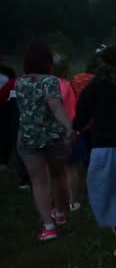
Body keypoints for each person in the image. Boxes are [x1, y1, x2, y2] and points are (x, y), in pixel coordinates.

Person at [74, 46, 116, 258]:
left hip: (103, 148)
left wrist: (74, 129)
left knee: (105, 191)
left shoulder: (94, 88)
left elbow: (81, 120)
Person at [14, 44, 73, 241]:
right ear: (48, 62)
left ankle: (48, 226)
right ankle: (61, 213)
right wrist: (69, 126)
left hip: (28, 137)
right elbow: (55, 106)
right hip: (52, 136)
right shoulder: (50, 81)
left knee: (38, 181)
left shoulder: (20, 82)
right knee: (59, 176)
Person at [53, 55, 83, 211]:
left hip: (62, 133)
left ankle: (68, 201)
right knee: (71, 168)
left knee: (65, 169)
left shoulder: (59, 85)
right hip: (71, 130)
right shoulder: (67, 84)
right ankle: (73, 201)